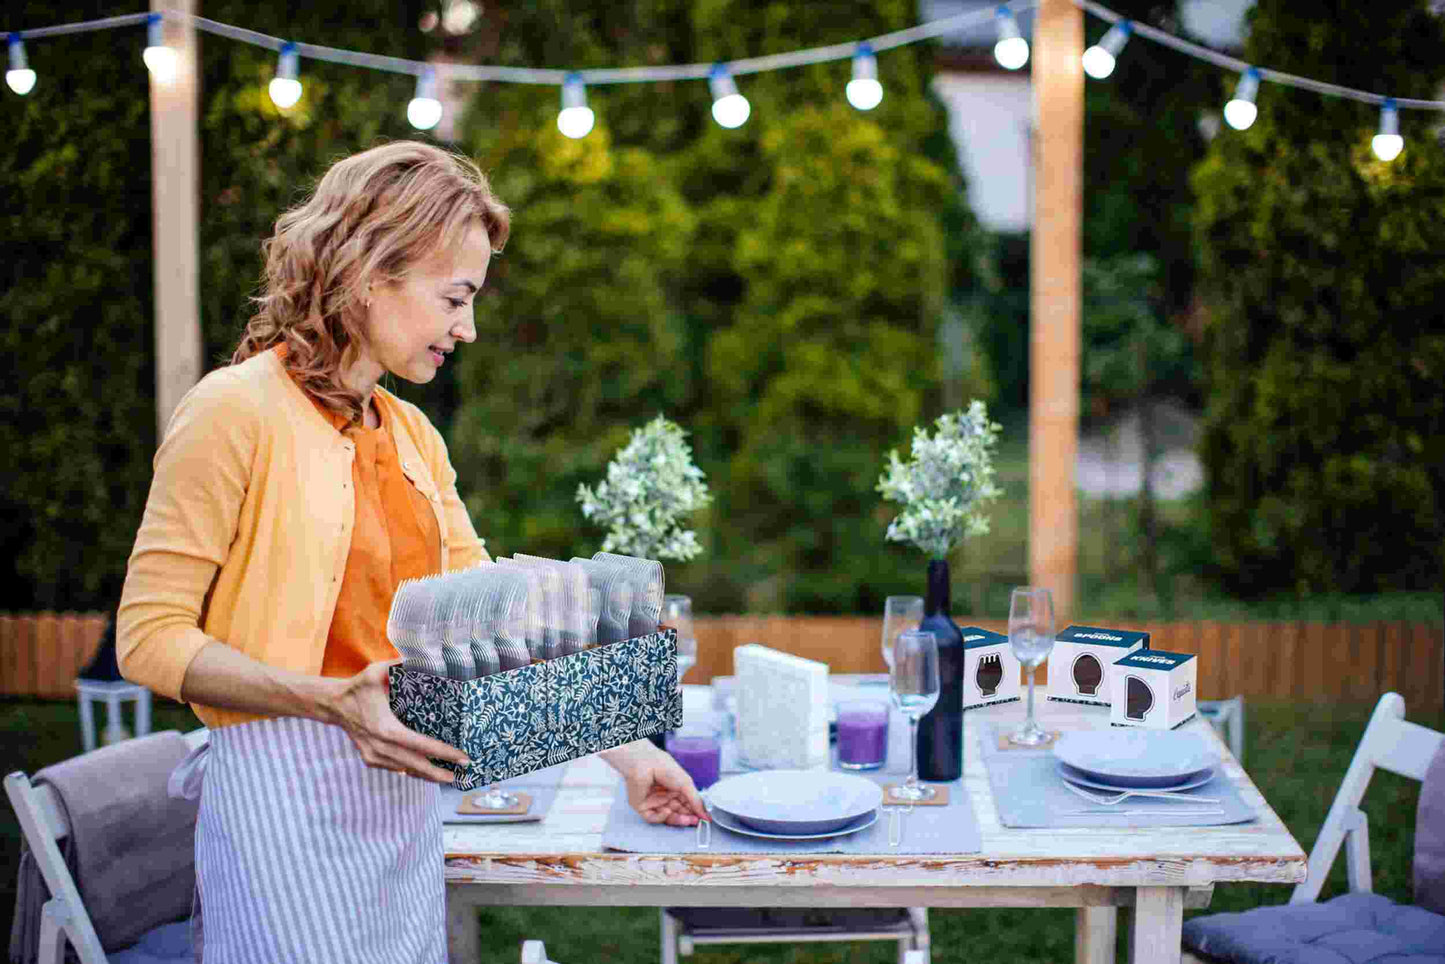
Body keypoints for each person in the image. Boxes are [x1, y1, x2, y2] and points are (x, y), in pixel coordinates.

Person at [117, 140, 706, 964]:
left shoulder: (413, 437)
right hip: (279, 801)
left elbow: (486, 625)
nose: (467, 328)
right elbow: (148, 640)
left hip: (400, 798)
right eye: (454, 298)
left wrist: (631, 756)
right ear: (367, 274)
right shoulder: (233, 412)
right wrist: (328, 700)